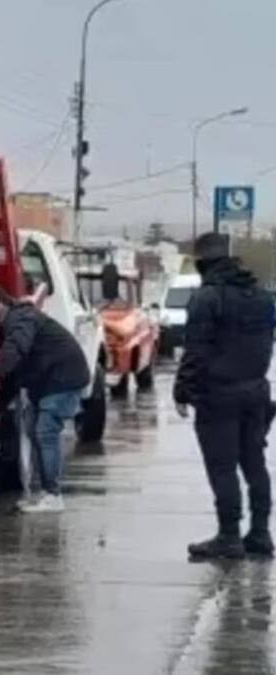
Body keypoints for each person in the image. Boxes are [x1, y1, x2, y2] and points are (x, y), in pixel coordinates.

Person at [175, 232, 275, 560]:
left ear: (204, 263)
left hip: (219, 394)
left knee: (222, 467)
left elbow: (196, 350)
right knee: (255, 464)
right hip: (257, 390)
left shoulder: (207, 298)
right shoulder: (261, 295)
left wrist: (184, 389)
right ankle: (260, 533)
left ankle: (229, 536)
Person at [0, 283, 91, 513]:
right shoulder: (6, 325)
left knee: (45, 432)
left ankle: (53, 496)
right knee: (32, 429)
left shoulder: (20, 319)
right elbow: (14, 373)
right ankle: (45, 492)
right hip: (47, 381)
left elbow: (15, 351)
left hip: (63, 378)